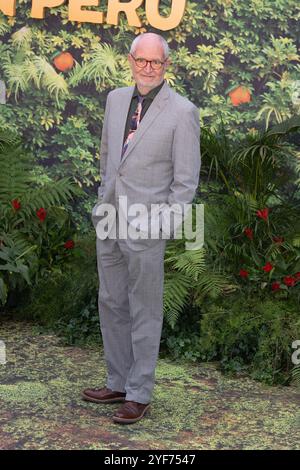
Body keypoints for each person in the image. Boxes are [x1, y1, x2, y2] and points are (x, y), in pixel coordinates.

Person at [82, 32, 201, 424]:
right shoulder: (116, 100)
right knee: (111, 301)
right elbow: (107, 159)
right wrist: (103, 203)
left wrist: (163, 226)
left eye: (156, 62)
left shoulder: (182, 112)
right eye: (141, 60)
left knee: (144, 308)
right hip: (110, 220)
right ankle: (117, 381)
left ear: (167, 66)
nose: (148, 68)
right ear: (130, 60)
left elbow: (185, 183)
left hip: (148, 226)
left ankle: (139, 392)